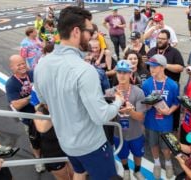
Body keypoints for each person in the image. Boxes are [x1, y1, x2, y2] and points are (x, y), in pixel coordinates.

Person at [34, 7, 125, 179]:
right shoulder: (84, 70)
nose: (93, 35)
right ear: (76, 31)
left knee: (79, 172)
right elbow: (101, 116)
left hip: (66, 143)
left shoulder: (41, 64)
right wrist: (118, 101)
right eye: (90, 31)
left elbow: (44, 102)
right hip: (91, 146)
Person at [142, 54, 180, 179]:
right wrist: (147, 105)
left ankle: (168, 163)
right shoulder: (146, 84)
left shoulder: (173, 85)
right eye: (150, 66)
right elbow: (144, 103)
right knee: (153, 144)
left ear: (163, 67)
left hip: (166, 121)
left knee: (165, 146)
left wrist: (170, 111)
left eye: (154, 66)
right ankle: (157, 163)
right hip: (151, 121)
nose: (151, 69)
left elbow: (176, 102)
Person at [5, 55, 44, 173]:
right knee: (35, 140)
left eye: (23, 63)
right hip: (29, 117)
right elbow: (16, 105)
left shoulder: (32, 73)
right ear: (12, 67)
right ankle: (38, 161)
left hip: (43, 113)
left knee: (50, 137)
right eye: (18, 65)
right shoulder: (11, 84)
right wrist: (32, 96)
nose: (22, 66)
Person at [110, 60, 146, 180]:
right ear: (116, 74)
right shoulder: (110, 92)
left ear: (130, 73)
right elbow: (106, 117)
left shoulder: (138, 92)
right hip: (118, 134)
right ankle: (126, 170)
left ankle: (137, 171)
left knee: (138, 154)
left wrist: (130, 112)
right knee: (122, 155)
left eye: (125, 72)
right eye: (119, 72)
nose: (122, 75)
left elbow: (141, 117)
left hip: (136, 133)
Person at [147, 30, 184, 132]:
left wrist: (163, 65)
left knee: (173, 115)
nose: (160, 40)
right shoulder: (152, 51)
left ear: (168, 40)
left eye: (163, 39)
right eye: (159, 38)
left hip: (170, 87)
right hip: (155, 87)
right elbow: (147, 68)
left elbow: (180, 67)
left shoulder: (174, 52)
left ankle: (173, 134)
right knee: (155, 113)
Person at [33, 104, 74, 180]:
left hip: (68, 148)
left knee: (74, 174)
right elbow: (41, 129)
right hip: (53, 153)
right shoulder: (39, 114)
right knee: (64, 178)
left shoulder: (64, 107)